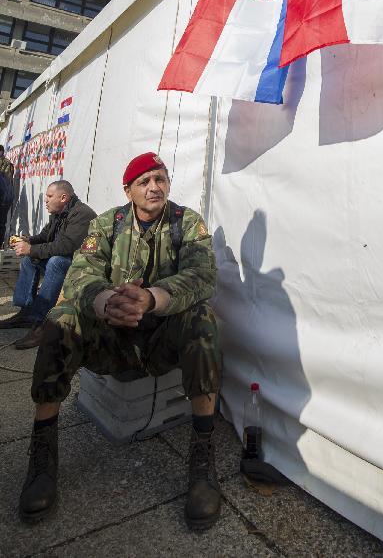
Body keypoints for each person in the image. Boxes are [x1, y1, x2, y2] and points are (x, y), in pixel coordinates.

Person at [19, 152, 221, 533]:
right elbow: (80, 275)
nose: (154, 187)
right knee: (60, 319)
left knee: (203, 317)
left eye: (160, 179)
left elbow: (202, 275)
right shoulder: (106, 224)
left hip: (162, 338)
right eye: (144, 181)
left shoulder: (186, 222)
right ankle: (42, 452)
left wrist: (152, 299)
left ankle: (202, 457)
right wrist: (106, 302)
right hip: (111, 338)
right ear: (128, 190)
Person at [0, 181, 96, 349]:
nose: (46, 200)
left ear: (63, 197)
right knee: (30, 259)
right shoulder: (59, 212)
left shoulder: (82, 214)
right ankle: (27, 311)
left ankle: (42, 322)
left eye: (50, 196)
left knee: (56, 262)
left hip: (82, 267)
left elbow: (66, 246)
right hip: (67, 259)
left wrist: (30, 249)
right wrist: (27, 241)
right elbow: (45, 236)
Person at [0, 144, 14, 246]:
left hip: (4, 198)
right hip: (5, 197)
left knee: (1, 222)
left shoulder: (6, 163)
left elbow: (6, 180)